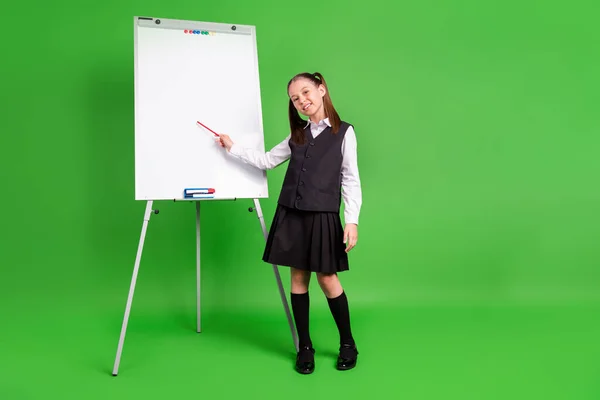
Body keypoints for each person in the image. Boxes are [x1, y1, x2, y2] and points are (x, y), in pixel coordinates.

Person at [216, 72, 362, 374]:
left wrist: (352, 220)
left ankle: (347, 343)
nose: (302, 101)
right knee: (298, 279)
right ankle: (304, 347)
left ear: (322, 90)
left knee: (327, 278)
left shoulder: (344, 133)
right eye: (296, 99)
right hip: (293, 215)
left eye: (306, 93)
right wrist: (232, 147)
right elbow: (268, 160)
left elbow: (351, 179)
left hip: (323, 216)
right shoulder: (297, 135)